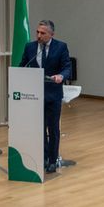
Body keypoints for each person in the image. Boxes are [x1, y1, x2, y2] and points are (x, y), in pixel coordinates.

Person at [19, 19, 72, 173]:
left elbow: (67, 68)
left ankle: (53, 160)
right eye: (37, 32)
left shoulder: (61, 47)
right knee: (39, 128)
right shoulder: (30, 47)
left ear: (51, 34)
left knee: (53, 129)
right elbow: (22, 66)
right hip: (35, 95)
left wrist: (61, 76)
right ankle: (43, 157)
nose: (39, 36)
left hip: (53, 95)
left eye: (43, 33)